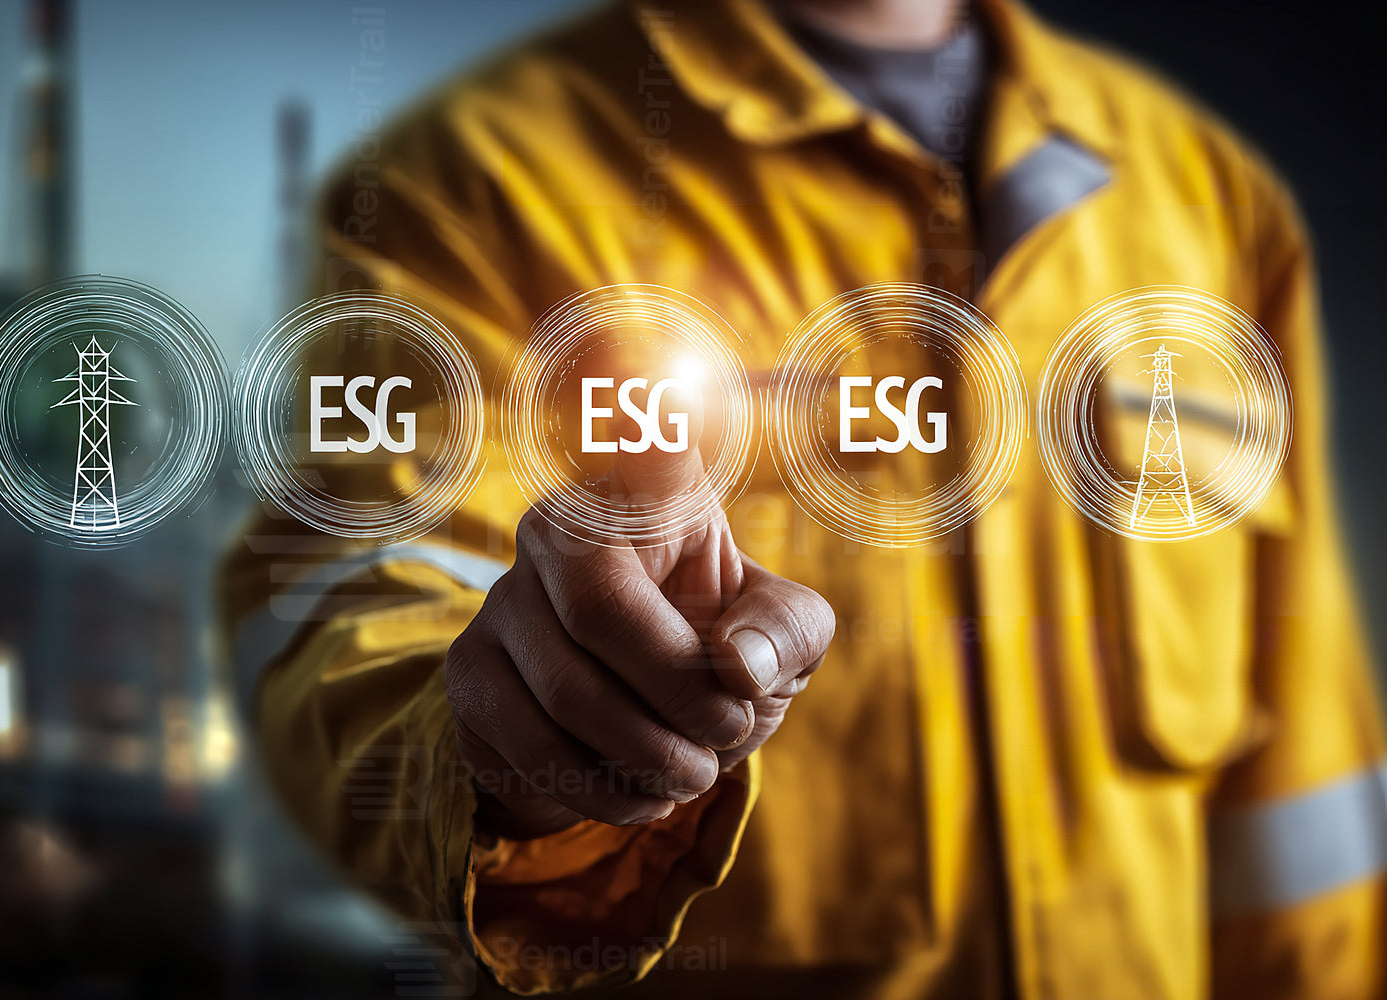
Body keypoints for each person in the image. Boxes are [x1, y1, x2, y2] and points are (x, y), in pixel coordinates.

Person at [222, 0, 1387, 996]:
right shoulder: (481, 179)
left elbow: (1302, 785)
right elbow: (358, 603)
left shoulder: (1208, 199)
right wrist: (512, 759)